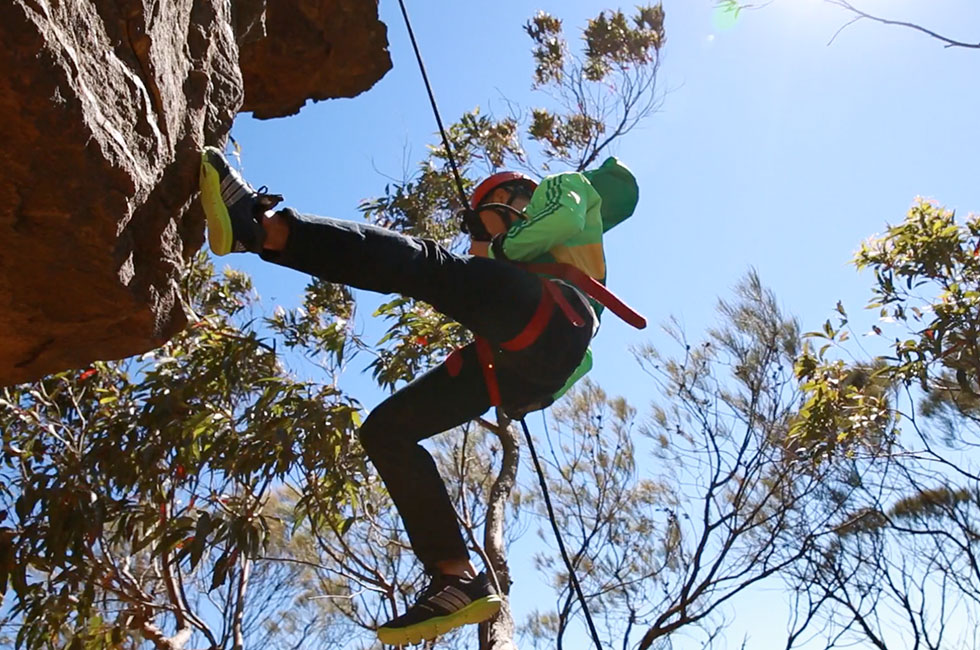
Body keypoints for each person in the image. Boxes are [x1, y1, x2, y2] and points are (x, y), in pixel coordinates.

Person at [199, 146, 640, 645]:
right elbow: (566, 353)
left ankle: (263, 227)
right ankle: (455, 578)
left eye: (486, 216)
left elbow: (554, 223)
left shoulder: (561, 188)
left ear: (516, 195)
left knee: (428, 263)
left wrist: (492, 249)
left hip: (556, 314)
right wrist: (532, 392)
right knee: (387, 431)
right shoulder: (508, 254)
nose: (483, 233)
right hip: (521, 355)